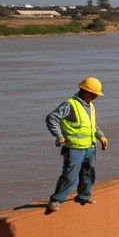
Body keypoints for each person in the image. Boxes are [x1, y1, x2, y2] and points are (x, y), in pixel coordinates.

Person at [44, 77, 109, 214]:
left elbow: (92, 125)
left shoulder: (90, 106)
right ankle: (56, 199)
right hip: (74, 147)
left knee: (88, 173)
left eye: (96, 94)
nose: (95, 97)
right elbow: (52, 118)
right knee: (70, 175)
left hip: (89, 147)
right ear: (84, 91)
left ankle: (83, 196)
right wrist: (59, 136)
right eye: (93, 94)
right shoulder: (70, 105)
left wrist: (101, 136)